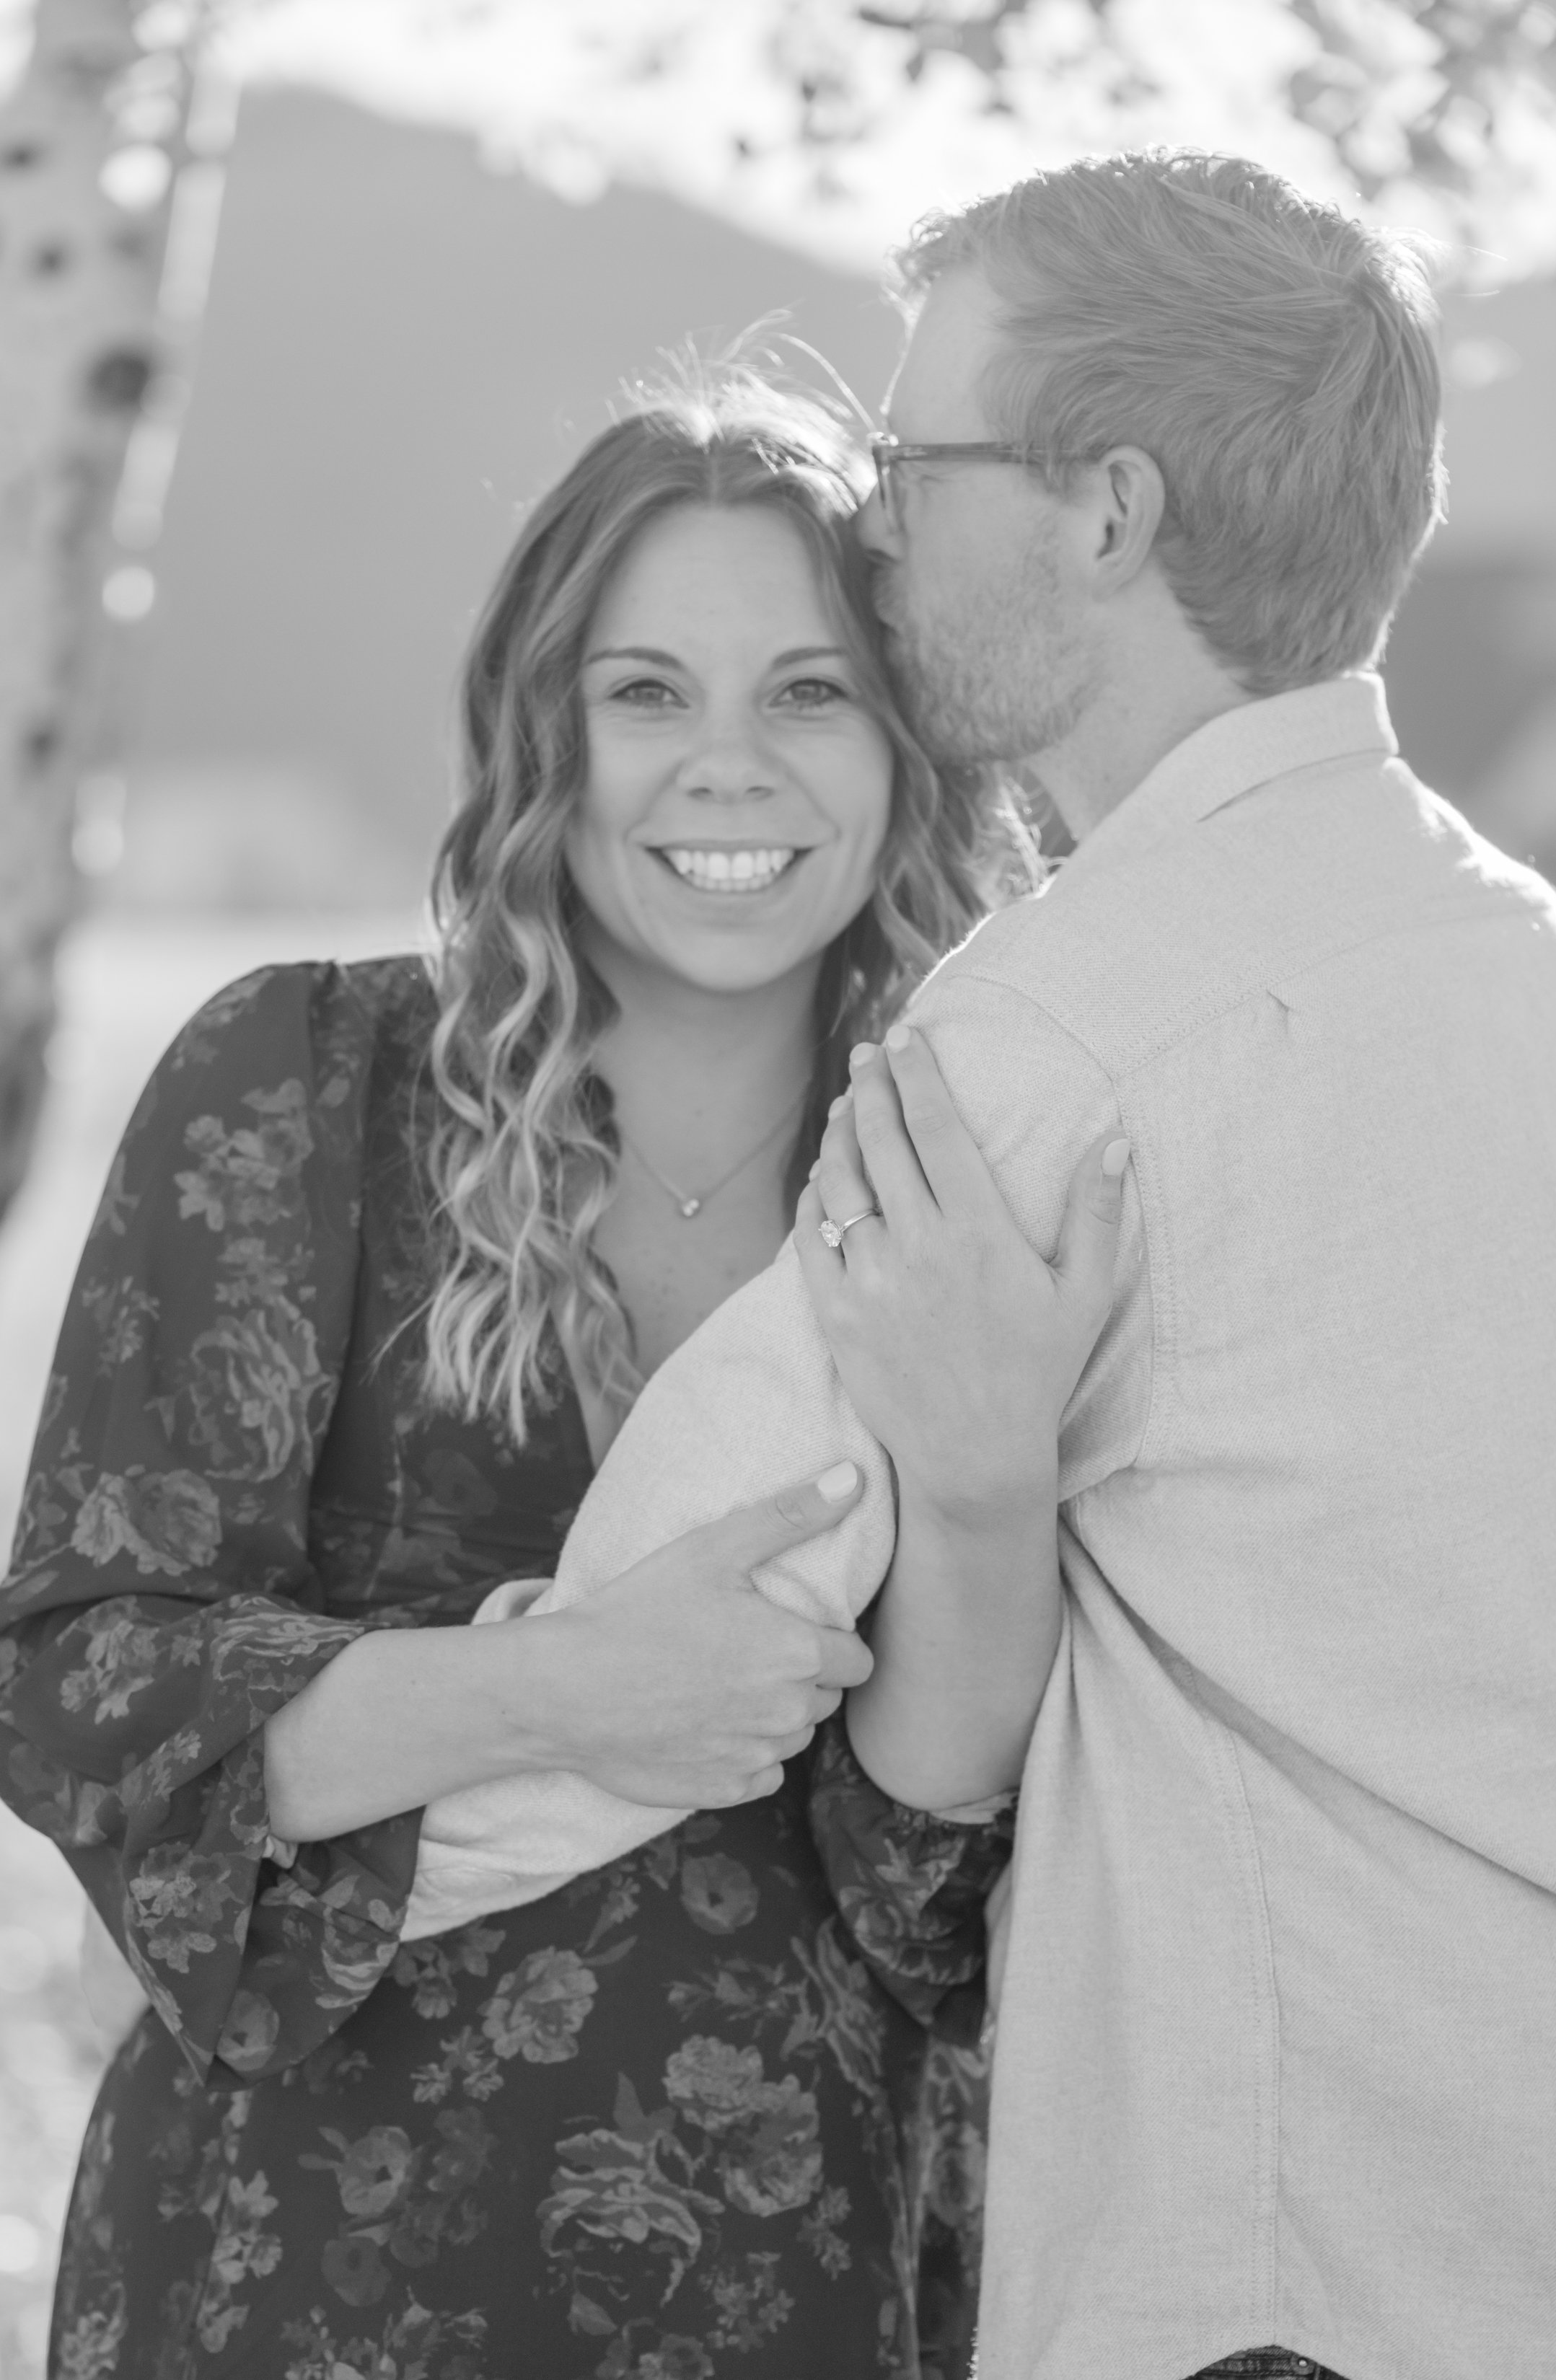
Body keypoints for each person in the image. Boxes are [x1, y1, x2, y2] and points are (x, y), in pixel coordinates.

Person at [441, 153, 1556, 2380]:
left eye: (918, 463)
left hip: (1273, 2281)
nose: (874, 528)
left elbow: (675, 1614)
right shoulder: (1532, 968)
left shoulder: (1053, 1044)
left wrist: (267, 1825)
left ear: (1110, 511)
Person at [0, 374, 1124, 2380]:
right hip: (291, 2271)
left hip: (805, 2271)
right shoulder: (304, 1081)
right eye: (646, 693)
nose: (727, 765)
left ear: (909, 742)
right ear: (547, 731)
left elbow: (932, 1890)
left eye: (809, 692)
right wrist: (572, 1685)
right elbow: (90, 1688)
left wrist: (982, 1489)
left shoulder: (978, 1176)